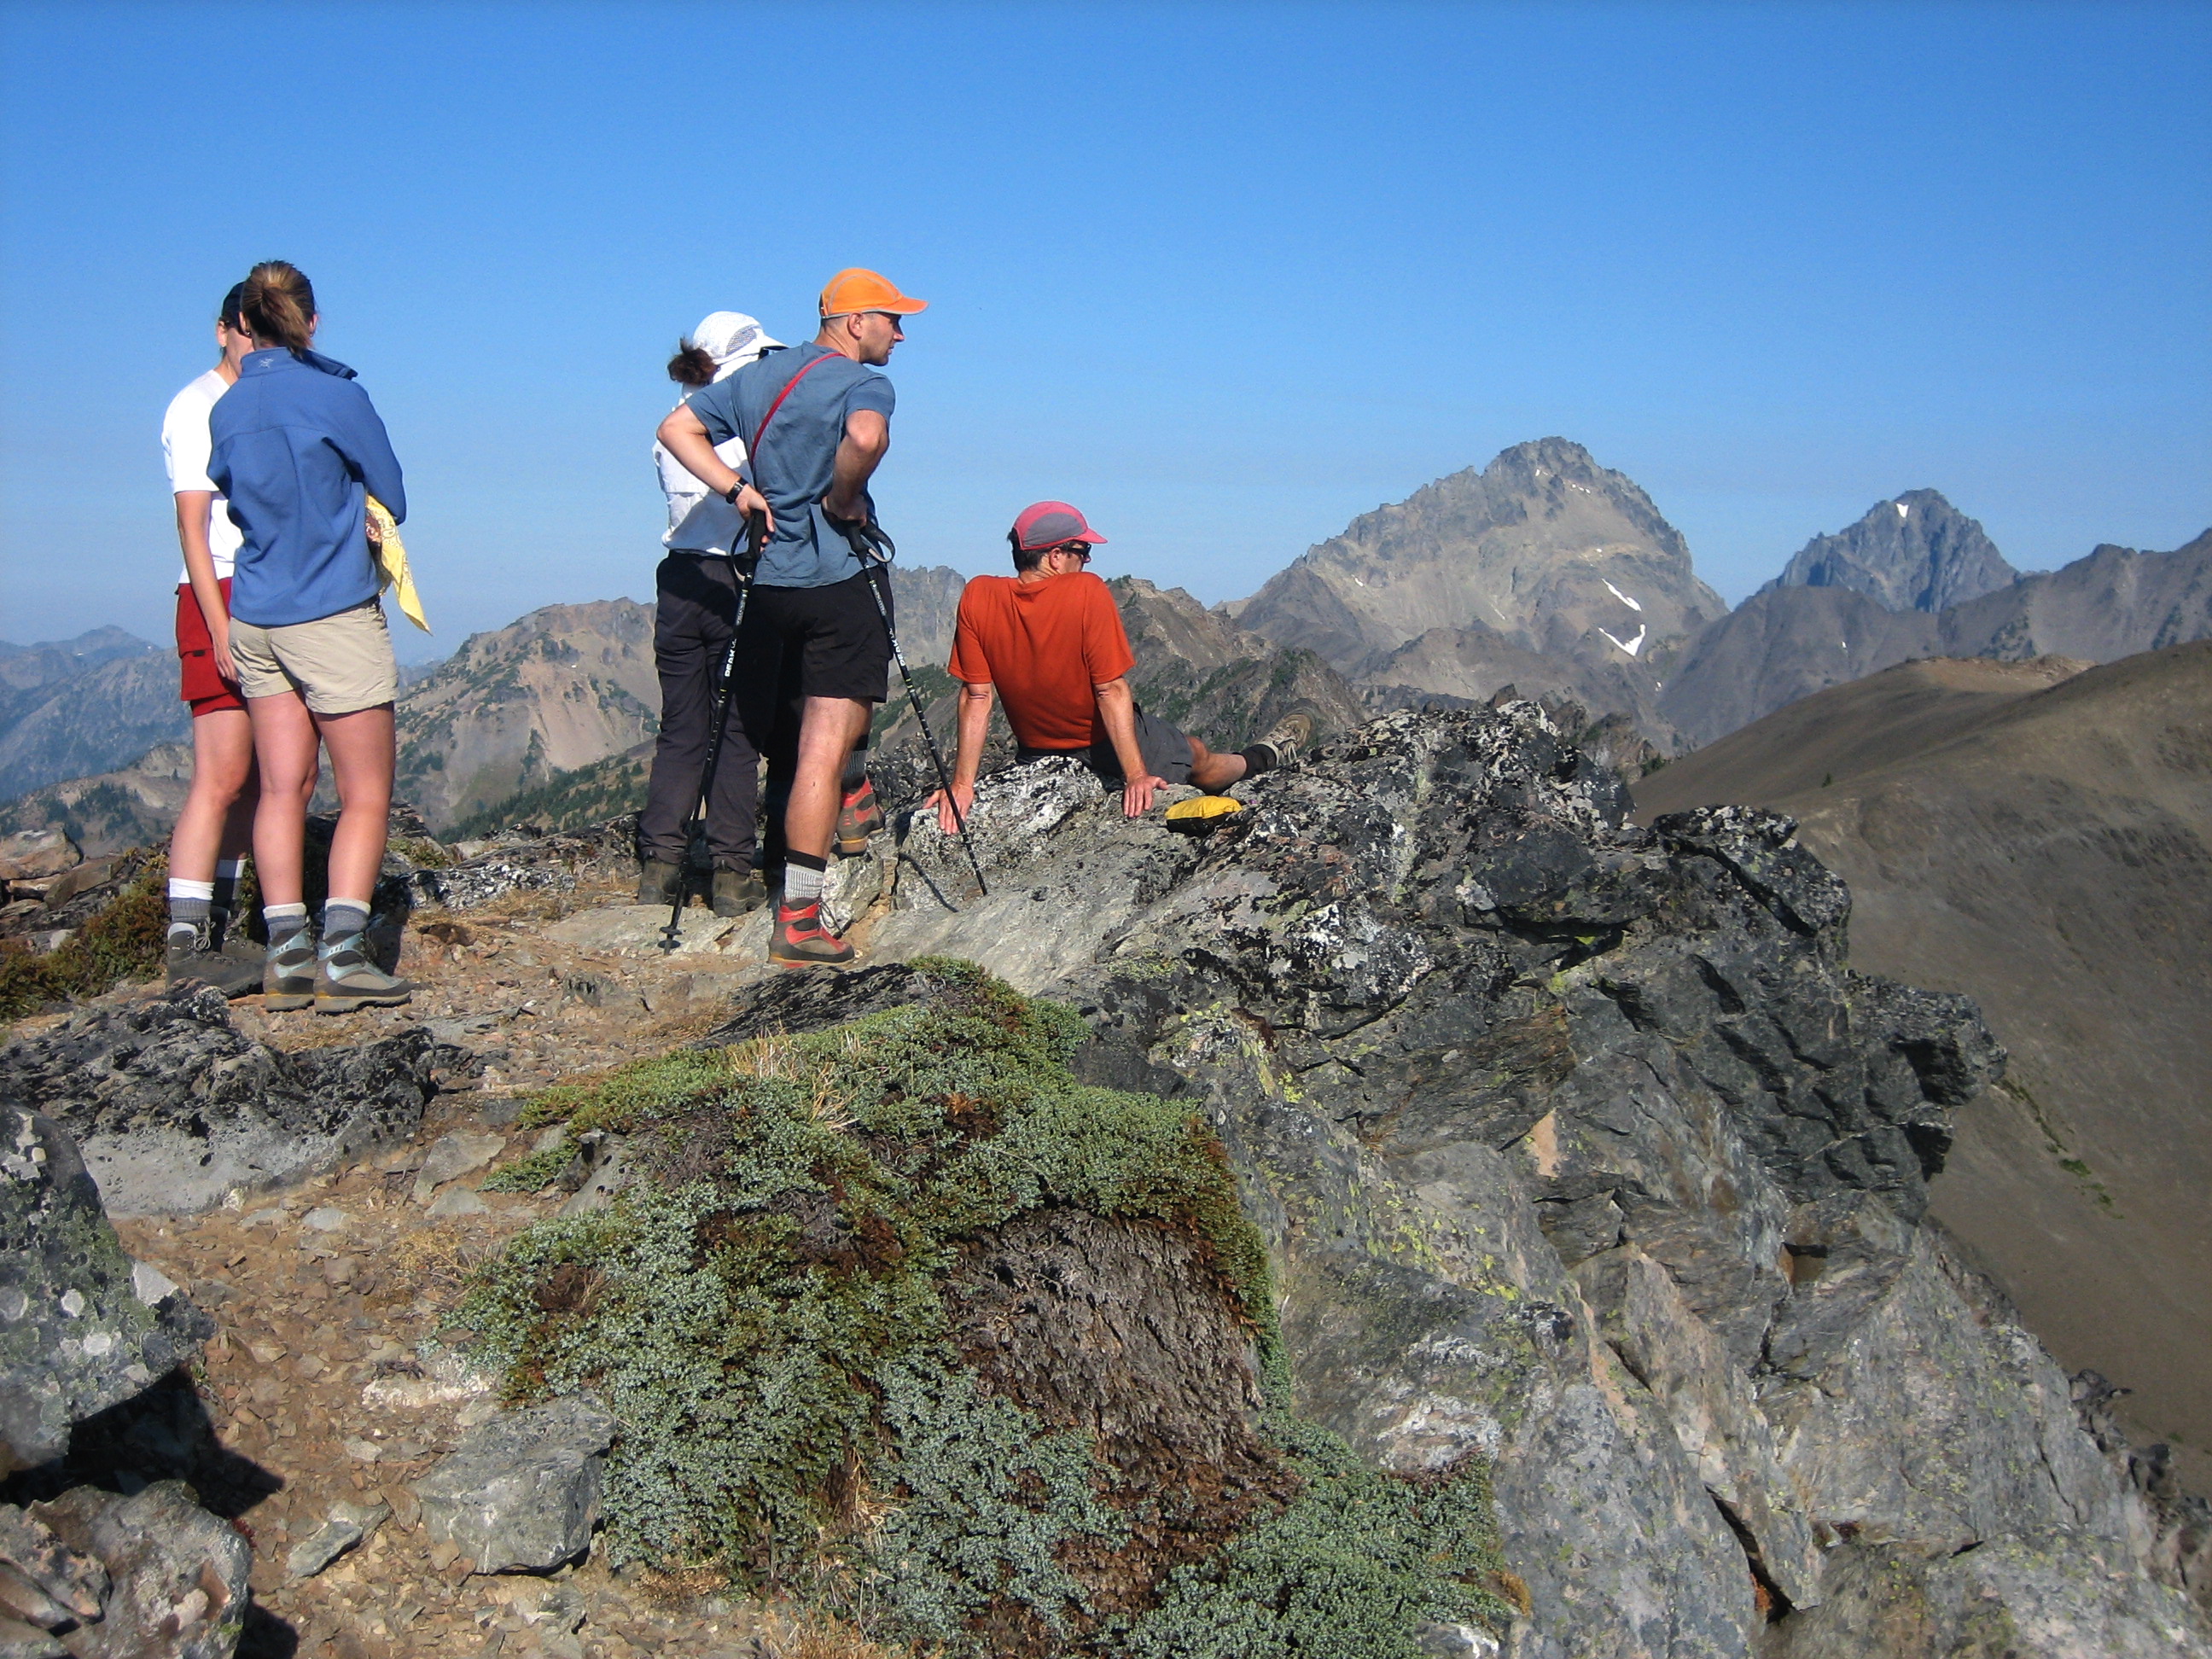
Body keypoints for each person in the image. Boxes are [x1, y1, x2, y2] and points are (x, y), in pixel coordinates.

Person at [656, 268, 922, 968]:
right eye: (892, 320)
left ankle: (835, 830)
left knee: (791, 732)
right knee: (823, 747)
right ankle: (800, 917)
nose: (901, 334)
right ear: (855, 320)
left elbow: (676, 427)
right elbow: (866, 440)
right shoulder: (866, 385)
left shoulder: (756, 381)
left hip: (768, 579)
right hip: (839, 579)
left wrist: (739, 490)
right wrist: (842, 500)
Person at [207, 260, 412, 1013]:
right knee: (364, 792)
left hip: (256, 615)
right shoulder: (337, 395)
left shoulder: (227, 410)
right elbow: (393, 491)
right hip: (330, 611)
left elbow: (231, 494)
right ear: (311, 321)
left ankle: (285, 954)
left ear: (245, 323)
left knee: (283, 787)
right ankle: (345, 958)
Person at [928, 502, 1313, 833]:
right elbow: (1110, 690)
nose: (1088, 559)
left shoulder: (978, 594)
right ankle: (1263, 758)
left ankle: (1257, 756)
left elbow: (976, 695)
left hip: (1035, 751)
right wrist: (1136, 775)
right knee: (1195, 754)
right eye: (1082, 549)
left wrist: (963, 784)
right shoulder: (1086, 592)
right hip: (1098, 745)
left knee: (1183, 744)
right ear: (1055, 556)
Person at [636, 311, 784, 917]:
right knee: (737, 730)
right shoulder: (737, 431)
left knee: (683, 728)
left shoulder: (670, 428)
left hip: (679, 580)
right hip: (735, 578)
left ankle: (660, 865)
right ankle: (730, 870)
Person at [159, 282, 263, 995]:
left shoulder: (256, 398)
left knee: (265, 777)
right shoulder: (196, 406)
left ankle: (218, 926)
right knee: (224, 773)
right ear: (222, 331)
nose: (254, 346)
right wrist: (218, 621)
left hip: (266, 590)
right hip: (218, 592)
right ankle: (187, 939)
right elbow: (192, 526)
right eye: (246, 332)